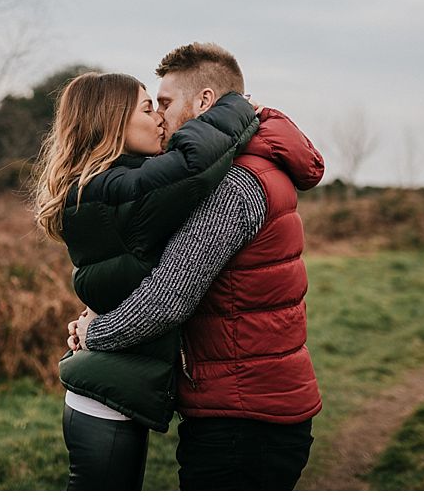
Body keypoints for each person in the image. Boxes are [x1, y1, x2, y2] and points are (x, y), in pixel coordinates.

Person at [68, 42, 325, 490]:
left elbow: (166, 299)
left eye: (163, 103)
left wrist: (96, 334)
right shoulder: (248, 166)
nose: (160, 117)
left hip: (244, 418)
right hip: (253, 405)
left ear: (205, 102)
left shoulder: (232, 184)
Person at [32, 70, 259, 490]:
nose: (159, 118)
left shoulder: (103, 184)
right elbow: (196, 168)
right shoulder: (122, 191)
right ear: (113, 121)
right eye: (147, 107)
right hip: (107, 399)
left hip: (107, 387)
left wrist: (93, 320)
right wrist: (238, 105)